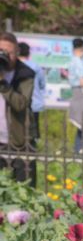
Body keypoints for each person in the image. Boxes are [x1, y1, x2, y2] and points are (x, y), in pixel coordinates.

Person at [0, 32, 36, 184]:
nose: (5, 55)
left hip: (19, 141)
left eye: (9, 52)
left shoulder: (25, 74)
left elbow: (21, 104)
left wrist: (3, 83)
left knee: (23, 187)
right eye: (1, 50)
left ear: (17, 52)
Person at [18, 42, 45, 148]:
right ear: (29, 53)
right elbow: (42, 84)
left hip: (17, 103)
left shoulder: (14, 66)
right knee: (33, 130)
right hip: (34, 103)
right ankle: (32, 148)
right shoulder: (36, 67)